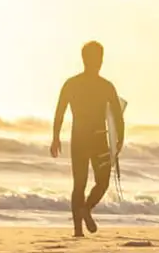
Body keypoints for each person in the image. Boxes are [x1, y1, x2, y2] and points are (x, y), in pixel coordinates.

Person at [51, 41, 125, 238]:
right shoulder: (106, 86)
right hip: (99, 138)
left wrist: (56, 137)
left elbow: (59, 112)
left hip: (79, 137)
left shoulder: (71, 83)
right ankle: (86, 209)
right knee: (102, 183)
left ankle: (78, 230)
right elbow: (118, 115)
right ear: (99, 60)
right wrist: (120, 140)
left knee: (79, 183)